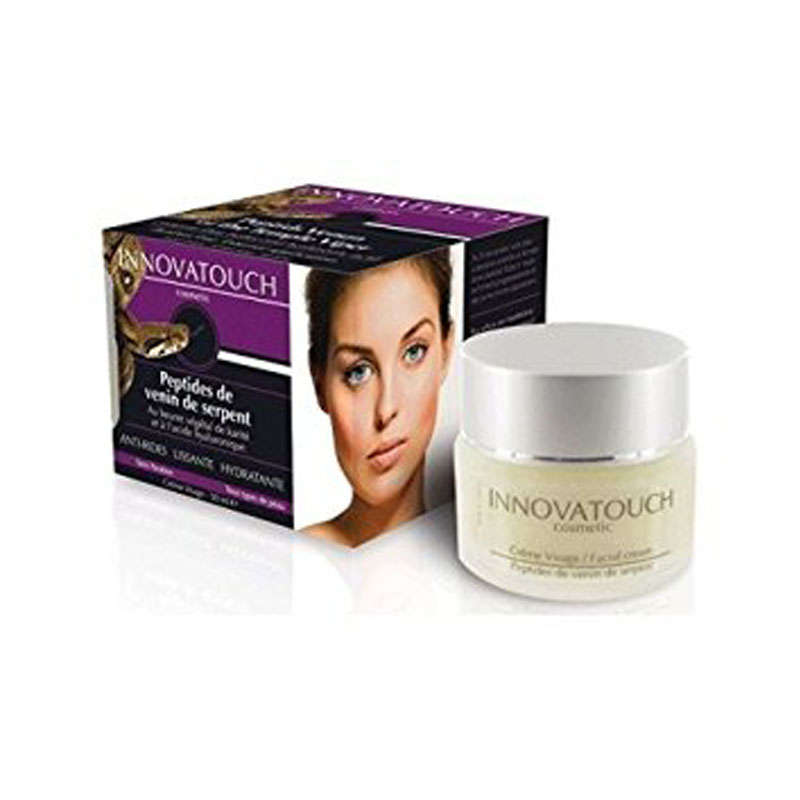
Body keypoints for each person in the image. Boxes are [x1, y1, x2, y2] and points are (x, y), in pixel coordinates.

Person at [301, 249, 454, 547]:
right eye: (358, 372)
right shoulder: (298, 559)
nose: (386, 410)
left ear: (446, 353)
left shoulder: (463, 540)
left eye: (414, 352)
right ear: (319, 384)